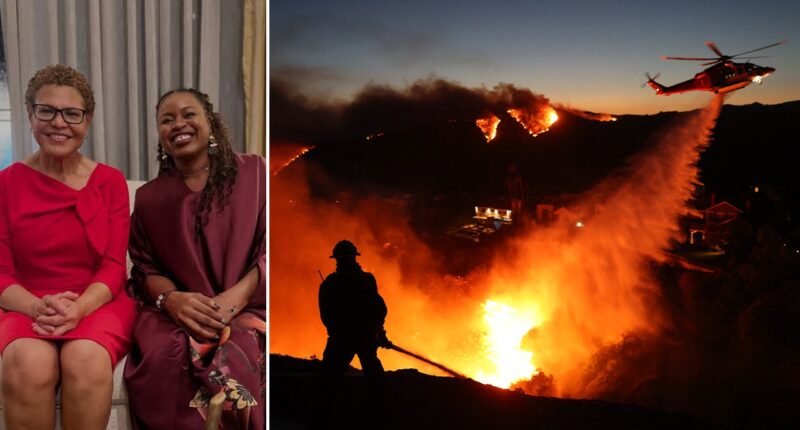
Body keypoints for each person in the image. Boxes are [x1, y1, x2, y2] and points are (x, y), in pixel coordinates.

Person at [0, 64, 136, 429]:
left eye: (72, 113)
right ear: (30, 114)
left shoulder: (109, 182)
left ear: (87, 120)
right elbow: (1, 272)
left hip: (95, 301)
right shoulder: (5, 183)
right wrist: (36, 306)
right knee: (26, 361)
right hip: (27, 302)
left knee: (86, 358)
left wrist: (78, 309)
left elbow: (112, 267)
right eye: (47, 110)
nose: (59, 123)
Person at [123, 88, 266, 429]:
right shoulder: (148, 199)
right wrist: (172, 300)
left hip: (246, 305)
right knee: (164, 356)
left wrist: (233, 300)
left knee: (237, 352)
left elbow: (271, 250)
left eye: (189, 114)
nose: (178, 124)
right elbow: (144, 269)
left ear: (210, 123)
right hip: (175, 313)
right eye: (166, 120)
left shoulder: (254, 174)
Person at [319, 240, 389, 395]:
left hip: (341, 340)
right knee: (374, 375)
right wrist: (378, 332)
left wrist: (337, 331)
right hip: (364, 337)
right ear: (355, 257)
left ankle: (324, 413)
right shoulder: (367, 279)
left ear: (336, 259)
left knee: (329, 380)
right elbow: (379, 309)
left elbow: (326, 316)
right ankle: (383, 410)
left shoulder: (329, 284)